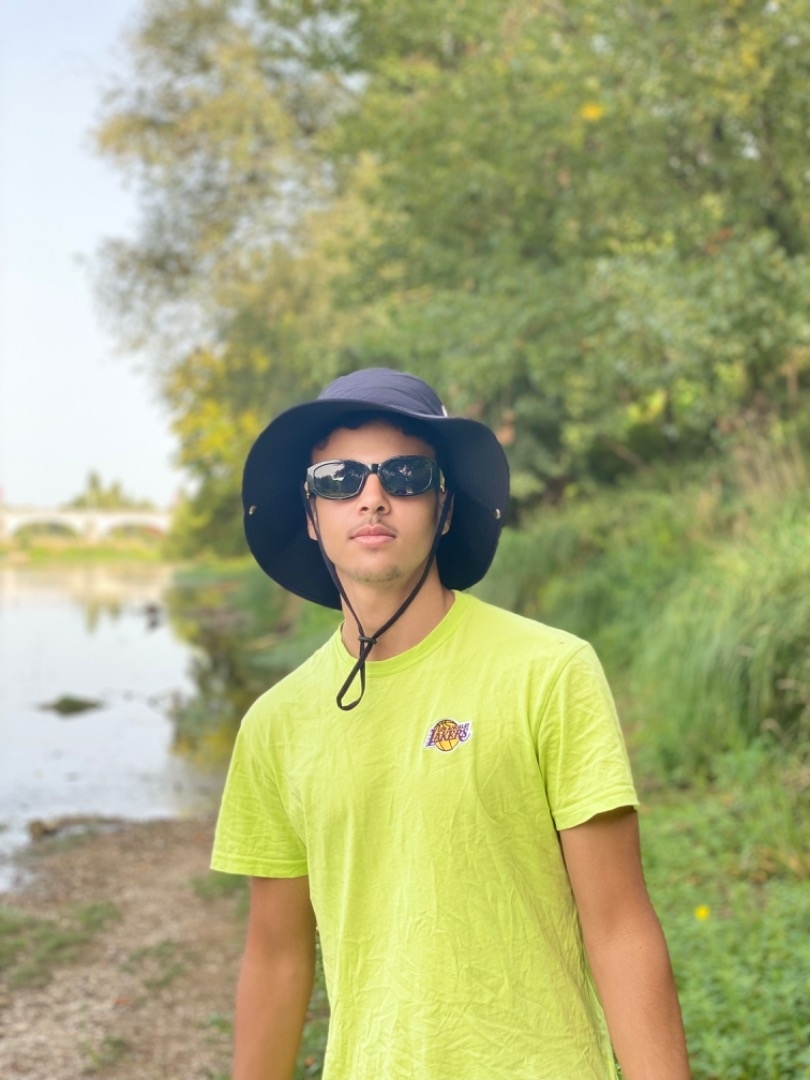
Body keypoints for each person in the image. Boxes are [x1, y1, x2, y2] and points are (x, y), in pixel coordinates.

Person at [211, 367, 691, 1080]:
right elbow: (277, 958)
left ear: (444, 507)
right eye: (339, 479)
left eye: (406, 475)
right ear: (310, 516)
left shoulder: (549, 671)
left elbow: (618, 926)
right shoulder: (274, 724)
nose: (372, 497)